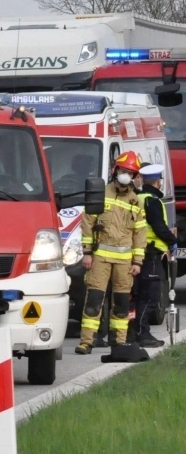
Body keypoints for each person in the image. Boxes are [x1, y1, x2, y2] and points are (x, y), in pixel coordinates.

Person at [76, 151, 148, 354]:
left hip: (125, 263)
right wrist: (87, 253)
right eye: (124, 171)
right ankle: (86, 342)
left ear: (134, 177)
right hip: (100, 258)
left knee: (122, 305)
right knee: (93, 301)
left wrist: (138, 262)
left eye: (130, 173)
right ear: (115, 170)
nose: (126, 175)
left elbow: (140, 234)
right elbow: (88, 224)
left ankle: (118, 343)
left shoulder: (136, 202)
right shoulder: (100, 193)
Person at [130, 162, 175, 347]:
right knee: (151, 296)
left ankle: (134, 333)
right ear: (158, 181)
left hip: (137, 253)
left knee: (138, 295)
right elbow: (158, 226)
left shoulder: (137, 197)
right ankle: (142, 334)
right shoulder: (152, 201)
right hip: (151, 252)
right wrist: (172, 241)